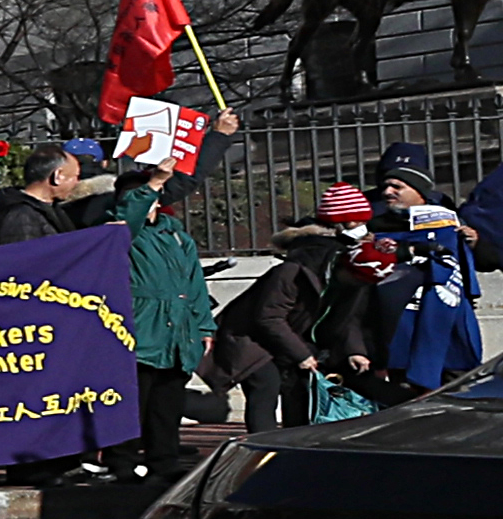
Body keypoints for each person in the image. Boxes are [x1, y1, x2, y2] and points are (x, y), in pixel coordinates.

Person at [208, 183, 377, 430]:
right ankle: (263, 449)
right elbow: (268, 317)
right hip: (249, 339)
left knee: (296, 389)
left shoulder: (345, 266)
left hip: (287, 337)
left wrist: (355, 350)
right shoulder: (295, 269)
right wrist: (301, 354)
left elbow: (344, 315)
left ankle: (293, 441)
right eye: (352, 224)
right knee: (265, 386)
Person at [113, 162, 215, 474]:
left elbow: (195, 283)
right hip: (142, 329)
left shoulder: (177, 236)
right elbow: (126, 219)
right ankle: (122, 463)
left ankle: (163, 462)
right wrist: (153, 182)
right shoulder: (122, 233)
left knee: (167, 406)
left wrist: (204, 325)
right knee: (133, 405)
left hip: (177, 332)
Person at [356, 156, 479, 398]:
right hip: (400, 330)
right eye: (385, 187)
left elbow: (470, 269)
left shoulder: (451, 226)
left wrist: (473, 244)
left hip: (449, 328)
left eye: (397, 187)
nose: (388, 192)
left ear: (419, 191)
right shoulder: (374, 229)